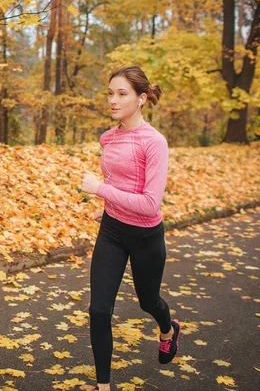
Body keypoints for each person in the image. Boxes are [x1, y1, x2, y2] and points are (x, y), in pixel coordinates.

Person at [81, 66, 180, 391]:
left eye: (122, 93)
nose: (113, 99)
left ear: (141, 98)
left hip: (145, 236)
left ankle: (168, 329)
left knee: (148, 301)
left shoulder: (155, 142)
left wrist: (99, 191)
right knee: (98, 310)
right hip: (112, 230)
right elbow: (119, 181)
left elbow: (150, 203)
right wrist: (109, 208)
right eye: (110, 92)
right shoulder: (108, 137)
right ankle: (103, 386)